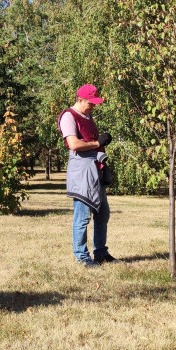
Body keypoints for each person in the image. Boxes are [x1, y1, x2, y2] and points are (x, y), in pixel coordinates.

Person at [58, 84, 117, 268]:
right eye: (91, 103)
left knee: (102, 213)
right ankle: (82, 257)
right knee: (82, 216)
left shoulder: (88, 116)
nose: (94, 106)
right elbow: (74, 144)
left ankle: (100, 253)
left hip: (94, 170)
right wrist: (97, 143)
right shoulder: (69, 116)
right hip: (81, 171)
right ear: (80, 99)